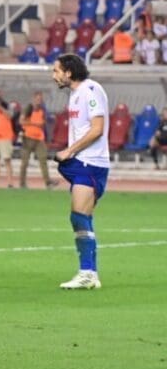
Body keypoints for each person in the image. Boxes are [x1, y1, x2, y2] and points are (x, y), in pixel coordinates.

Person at [51, 54, 110, 290]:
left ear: (68, 72)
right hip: (83, 162)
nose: (53, 75)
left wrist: (69, 151)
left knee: (78, 216)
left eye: (56, 70)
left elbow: (97, 129)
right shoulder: (75, 95)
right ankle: (90, 274)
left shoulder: (91, 90)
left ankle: (87, 273)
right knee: (82, 217)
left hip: (91, 163)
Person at [18, 92, 52, 189]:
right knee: (25, 162)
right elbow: (21, 121)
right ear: (34, 99)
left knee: (43, 160)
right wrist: (35, 123)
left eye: (40, 99)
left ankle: (48, 182)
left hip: (39, 138)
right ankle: (22, 183)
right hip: (27, 137)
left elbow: (44, 122)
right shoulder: (28, 108)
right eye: (37, 99)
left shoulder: (43, 109)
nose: (39, 101)